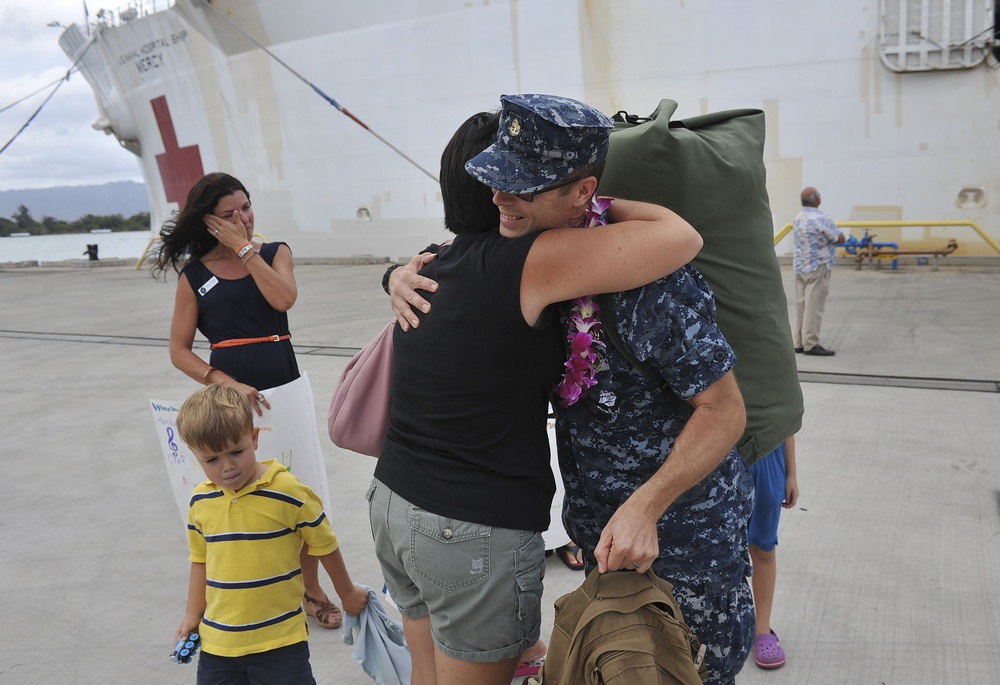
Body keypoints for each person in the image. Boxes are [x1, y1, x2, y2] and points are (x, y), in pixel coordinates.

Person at [389, 93, 754, 685]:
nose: (501, 197)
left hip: (682, 540)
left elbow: (724, 411)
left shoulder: (647, 281)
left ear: (583, 193)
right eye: (496, 180)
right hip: (601, 533)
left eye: (524, 186)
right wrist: (397, 276)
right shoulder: (534, 265)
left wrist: (646, 507)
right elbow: (458, 264)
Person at [152, 172, 343, 630]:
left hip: (283, 386)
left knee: (299, 489)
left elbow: (284, 297)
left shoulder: (274, 253)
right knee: (240, 491)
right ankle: (257, 587)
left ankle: (311, 589)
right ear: (208, 222)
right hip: (231, 397)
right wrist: (223, 381)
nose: (242, 218)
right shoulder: (194, 275)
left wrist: (245, 249)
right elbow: (179, 350)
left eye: (246, 207)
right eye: (228, 214)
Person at [172, 384, 368, 684]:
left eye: (236, 452)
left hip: (280, 642)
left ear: (254, 437)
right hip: (219, 644)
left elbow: (324, 544)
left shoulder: (288, 491)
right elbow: (200, 560)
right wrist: (192, 614)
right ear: (195, 455)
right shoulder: (201, 501)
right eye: (211, 460)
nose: (227, 467)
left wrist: (347, 593)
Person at [747, 435, 799, 669]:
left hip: (768, 459)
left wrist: (791, 474)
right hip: (723, 454)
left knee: (763, 548)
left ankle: (762, 630)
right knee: (719, 549)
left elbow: (785, 417)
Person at [792, 186, 845, 356]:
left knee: (801, 306)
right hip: (817, 267)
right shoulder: (820, 218)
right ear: (816, 199)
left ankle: (798, 342)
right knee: (814, 307)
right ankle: (811, 343)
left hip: (800, 267)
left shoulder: (798, 218)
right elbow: (839, 238)